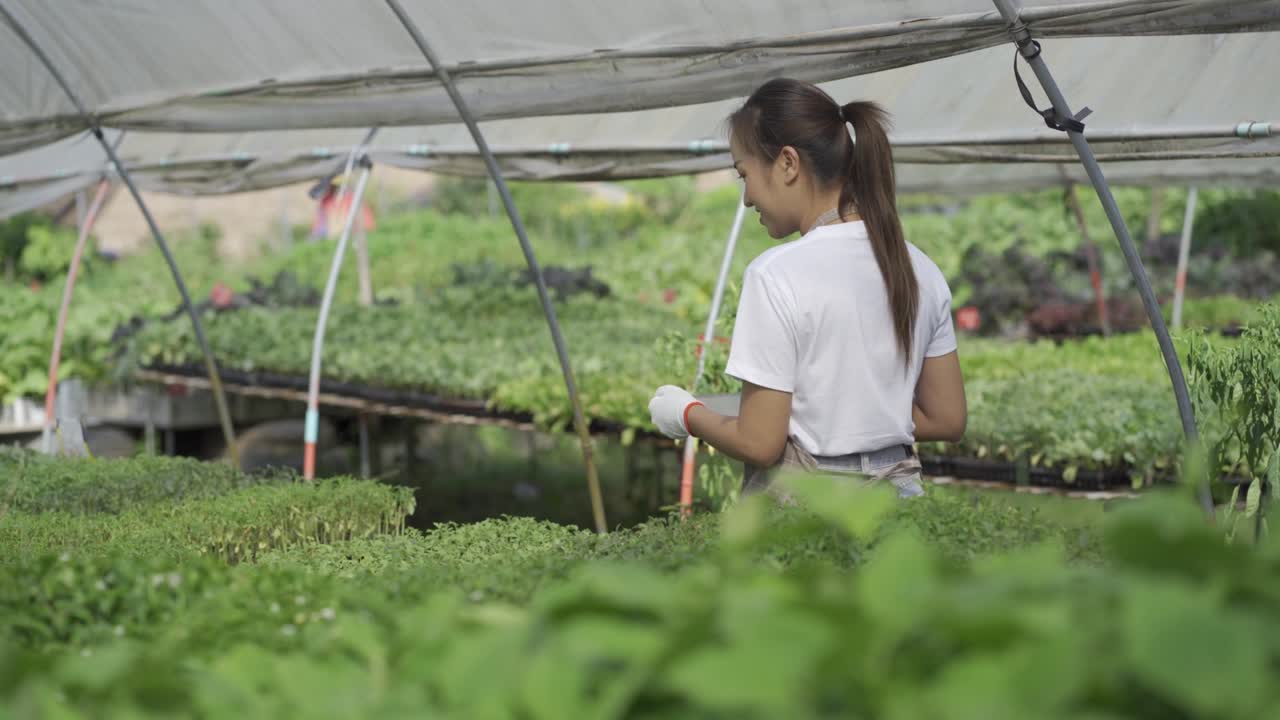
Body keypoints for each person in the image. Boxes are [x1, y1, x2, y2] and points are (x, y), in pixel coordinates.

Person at [647, 78, 966, 499]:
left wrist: (685, 413)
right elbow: (946, 418)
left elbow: (760, 443)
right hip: (899, 498)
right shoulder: (919, 266)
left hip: (812, 509)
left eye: (745, 175)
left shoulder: (776, 274)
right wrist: (846, 410)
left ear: (788, 164)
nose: (746, 199)